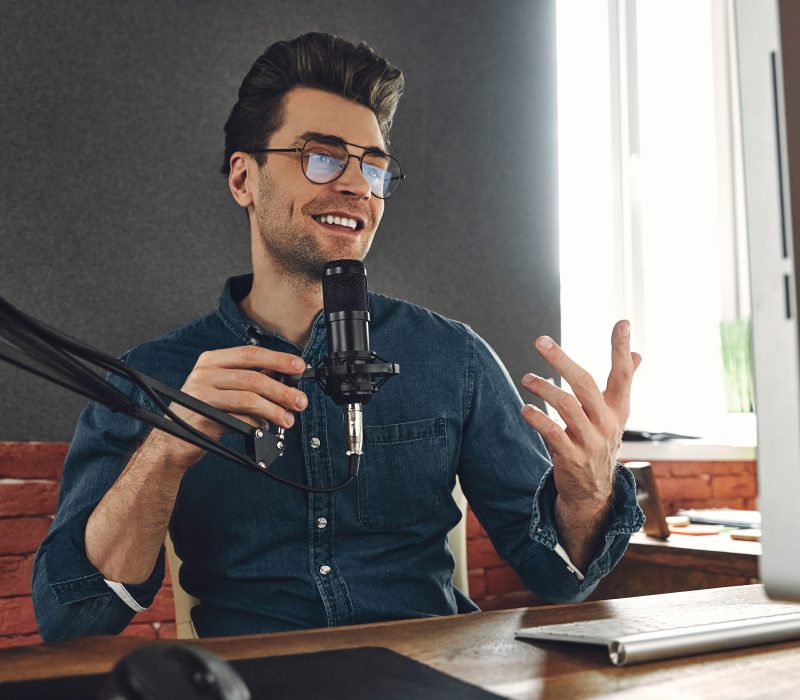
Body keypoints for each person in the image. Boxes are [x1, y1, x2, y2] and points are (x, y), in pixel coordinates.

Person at [32, 32, 643, 641]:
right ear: (244, 179)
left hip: (429, 677)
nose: (356, 185)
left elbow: (561, 578)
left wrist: (588, 495)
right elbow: (74, 618)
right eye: (321, 157)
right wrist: (165, 452)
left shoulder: (452, 358)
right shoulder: (153, 377)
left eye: (372, 166)